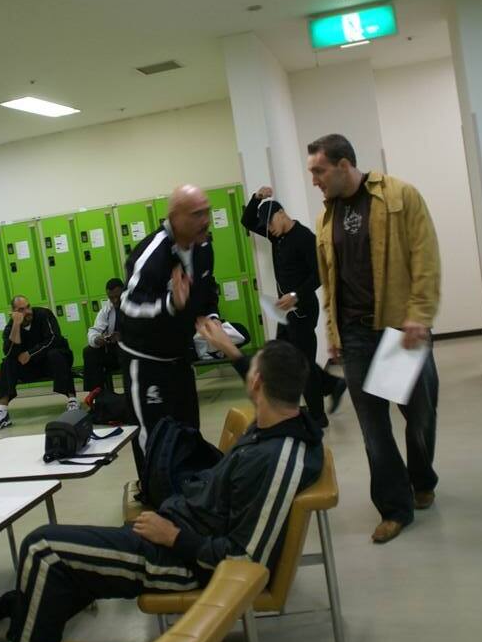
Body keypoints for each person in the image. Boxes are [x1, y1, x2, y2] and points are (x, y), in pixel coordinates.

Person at [0, 333, 323, 642]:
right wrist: (229, 349)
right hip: (177, 528)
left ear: (257, 384)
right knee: (68, 565)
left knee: (43, 548)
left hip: (185, 562)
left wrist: (174, 536)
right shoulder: (278, 422)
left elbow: (246, 562)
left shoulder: (277, 457)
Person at [307, 133, 441, 544]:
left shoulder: (399, 195)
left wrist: (419, 315)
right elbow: (329, 283)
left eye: (319, 170)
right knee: (373, 428)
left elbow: (425, 257)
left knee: (420, 416)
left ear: (344, 164)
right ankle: (394, 508)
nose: (314, 180)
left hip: (399, 328)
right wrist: (333, 331)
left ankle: (422, 478)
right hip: (356, 335)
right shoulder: (325, 219)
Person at [118, 184, 220, 468]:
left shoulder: (204, 247)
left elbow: (206, 290)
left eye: (207, 212)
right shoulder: (152, 253)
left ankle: (189, 490)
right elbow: (128, 305)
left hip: (179, 358)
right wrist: (170, 304)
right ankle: (155, 493)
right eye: (197, 214)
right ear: (175, 217)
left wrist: (211, 317)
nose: (206, 220)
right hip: (146, 361)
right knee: (154, 440)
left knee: (188, 432)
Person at [241, 186, 346, 427]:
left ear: (281, 214)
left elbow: (320, 273)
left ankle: (318, 416)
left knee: (302, 364)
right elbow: (247, 221)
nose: (268, 230)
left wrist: (296, 295)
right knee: (287, 357)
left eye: (270, 224)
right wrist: (257, 198)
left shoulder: (305, 238)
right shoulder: (276, 236)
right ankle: (332, 384)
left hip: (303, 309)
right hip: (285, 311)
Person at [0, 295, 77, 433]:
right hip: (30, 367)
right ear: (14, 312)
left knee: (56, 354)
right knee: (7, 363)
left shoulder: (44, 314)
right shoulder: (11, 327)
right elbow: (9, 352)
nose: (27, 311)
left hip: (50, 362)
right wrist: (16, 325)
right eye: (21, 309)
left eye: (28, 307)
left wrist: (30, 354)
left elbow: (54, 339)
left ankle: (72, 401)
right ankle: (2, 412)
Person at [82, 277, 124, 394]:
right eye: (111, 298)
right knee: (89, 352)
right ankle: (97, 394)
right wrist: (97, 339)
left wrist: (123, 336)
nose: (115, 300)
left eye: (118, 296)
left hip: (133, 350)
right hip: (115, 352)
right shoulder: (107, 310)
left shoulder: (135, 305)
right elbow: (94, 330)